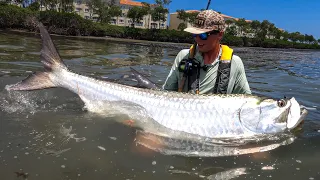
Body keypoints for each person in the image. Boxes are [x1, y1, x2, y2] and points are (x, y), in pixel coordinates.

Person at [162, 10, 251, 95]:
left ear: (220, 34)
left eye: (203, 35)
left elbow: (246, 99)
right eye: (195, 34)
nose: (197, 39)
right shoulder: (183, 56)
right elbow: (166, 92)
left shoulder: (235, 63)